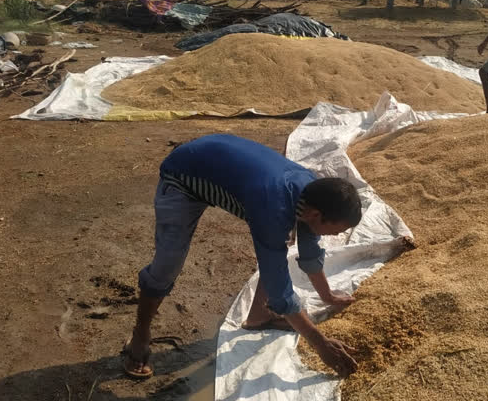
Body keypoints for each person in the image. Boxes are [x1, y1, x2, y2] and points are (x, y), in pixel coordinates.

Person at [123, 134, 363, 379]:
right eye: (337, 230)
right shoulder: (275, 208)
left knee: (280, 248)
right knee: (167, 264)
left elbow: (310, 250)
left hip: (217, 162)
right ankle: (140, 334)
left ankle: (258, 315)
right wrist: (321, 343)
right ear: (316, 215)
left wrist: (327, 295)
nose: (336, 235)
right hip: (183, 175)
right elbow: (279, 289)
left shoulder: (312, 194)